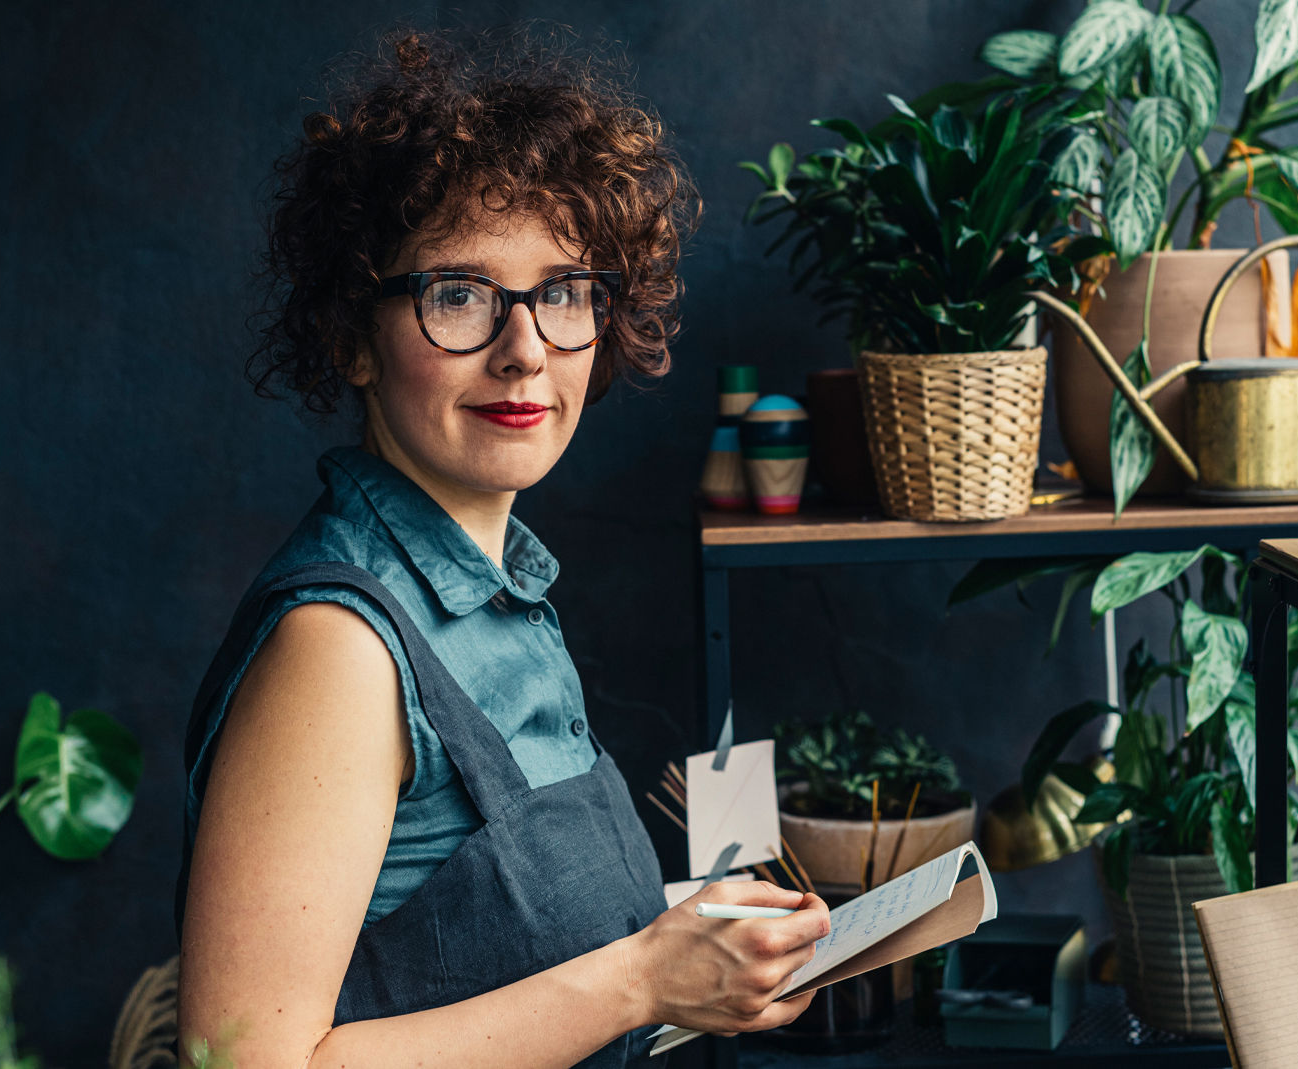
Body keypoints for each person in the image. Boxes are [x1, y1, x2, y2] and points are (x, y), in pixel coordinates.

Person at [177, 31, 828, 1069]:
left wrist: (694, 943)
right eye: (459, 295)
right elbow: (251, 1062)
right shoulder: (339, 649)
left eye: (563, 292)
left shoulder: (496, 591)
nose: (524, 348)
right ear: (352, 334)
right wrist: (643, 976)